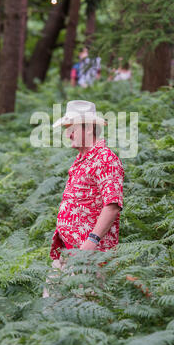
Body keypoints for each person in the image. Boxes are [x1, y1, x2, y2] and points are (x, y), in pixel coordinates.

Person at [43, 100, 124, 296]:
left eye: (72, 128)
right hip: (67, 253)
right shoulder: (82, 159)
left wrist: (91, 242)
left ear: (88, 130)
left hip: (88, 257)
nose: (68, 134)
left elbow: (112, 205)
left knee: (83, 312)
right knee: (49, 311)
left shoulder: (105, 159)